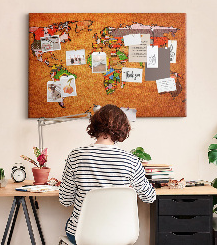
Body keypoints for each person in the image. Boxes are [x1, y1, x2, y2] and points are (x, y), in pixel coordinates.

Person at [59, 104, 156, 244]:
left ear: (95, 125)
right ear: (122, 128)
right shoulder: (131, 161)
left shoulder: (76, 156)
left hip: (82, 237)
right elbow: (149, 197)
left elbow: (65, 200)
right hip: (120, 236)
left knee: (73, 224)